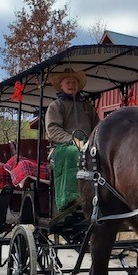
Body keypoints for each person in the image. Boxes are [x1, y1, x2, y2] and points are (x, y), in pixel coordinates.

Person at [45, 67, 99, 210]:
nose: (71, 85)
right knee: (75, 153)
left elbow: (97, 127)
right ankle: (72, 197)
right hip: (63, 146)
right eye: (68, 82)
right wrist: (72, 140)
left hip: (88, 143)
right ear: (61, 86)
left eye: (74, 82)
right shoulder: (55, 106)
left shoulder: (87, 106)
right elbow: (52, 130)